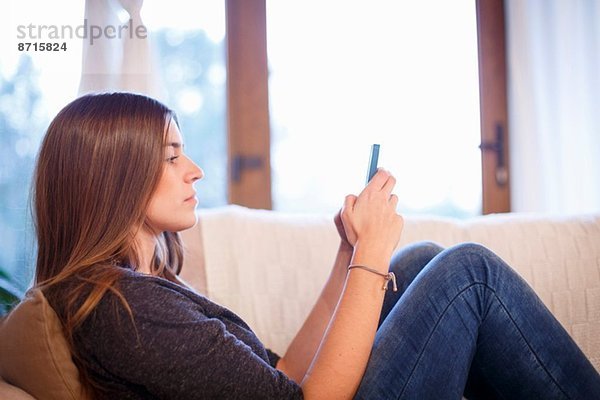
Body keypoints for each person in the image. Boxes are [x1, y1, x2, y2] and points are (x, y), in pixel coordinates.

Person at [31, 92, 599, 399]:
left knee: (420, 262)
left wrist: (349, 260)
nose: (195, 170)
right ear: (114, 174)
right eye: (174, 155)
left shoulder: (142, 293)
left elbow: (286, 374)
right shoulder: (129, 310)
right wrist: (370, 259)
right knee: (467, 275)